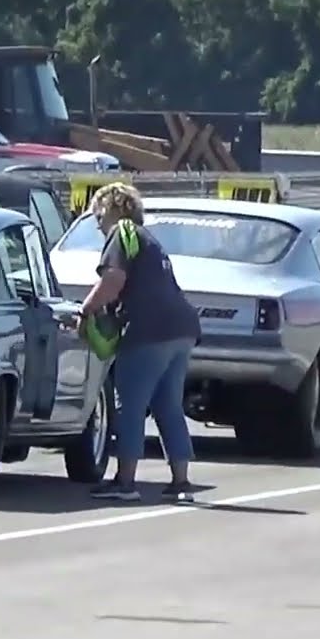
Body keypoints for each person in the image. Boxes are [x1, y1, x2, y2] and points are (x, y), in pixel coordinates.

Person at [80, 182, 201, 503]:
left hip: (148, 329)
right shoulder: (150, 240)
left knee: (130, 405)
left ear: (112, 208)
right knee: (168, 405)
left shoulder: (122, 233)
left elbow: (112, 280)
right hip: (182, 328)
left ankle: (125, 482)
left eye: (98, 214)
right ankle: (181, 481)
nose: (96, 223)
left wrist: (86, 310)